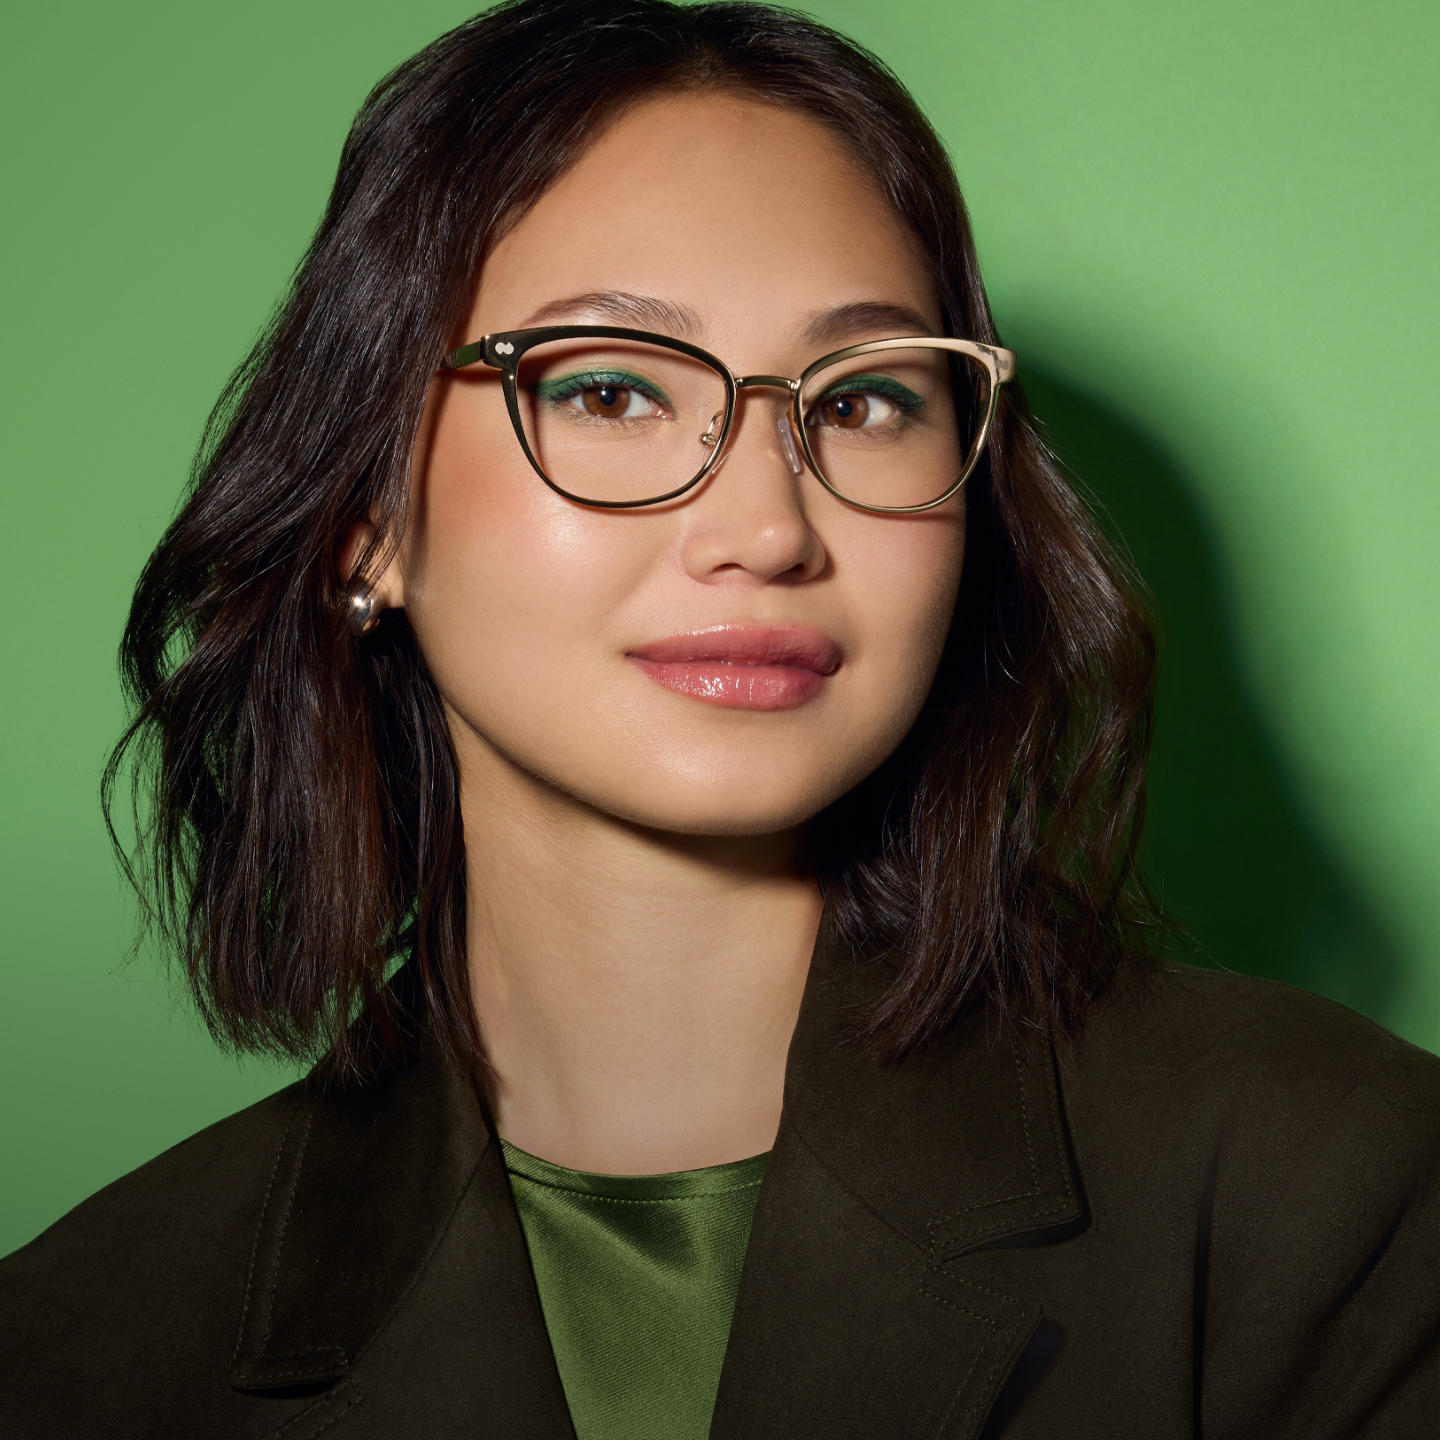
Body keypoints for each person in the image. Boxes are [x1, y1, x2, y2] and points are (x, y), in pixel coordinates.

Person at [1, 1, 1435, 1435]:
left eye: (868, 399)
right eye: (611, 389)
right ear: (366, 522)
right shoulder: (75, 1351)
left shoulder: (1336, 1192)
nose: (763, 526)